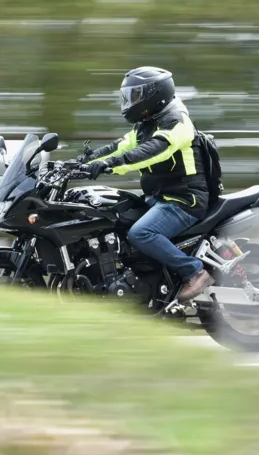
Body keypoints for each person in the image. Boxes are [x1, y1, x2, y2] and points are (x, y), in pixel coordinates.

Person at [79, 66, 214, 301]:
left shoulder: (177, 122)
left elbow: (153, 151)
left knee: (141, 233)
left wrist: (110, 164)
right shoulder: (147, 123)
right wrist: (81, 162)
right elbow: (120, 147)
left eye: (135, 95)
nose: (131, 102)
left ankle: (195, 272)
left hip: (183, 200)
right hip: (160, 198)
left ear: (155, 95)